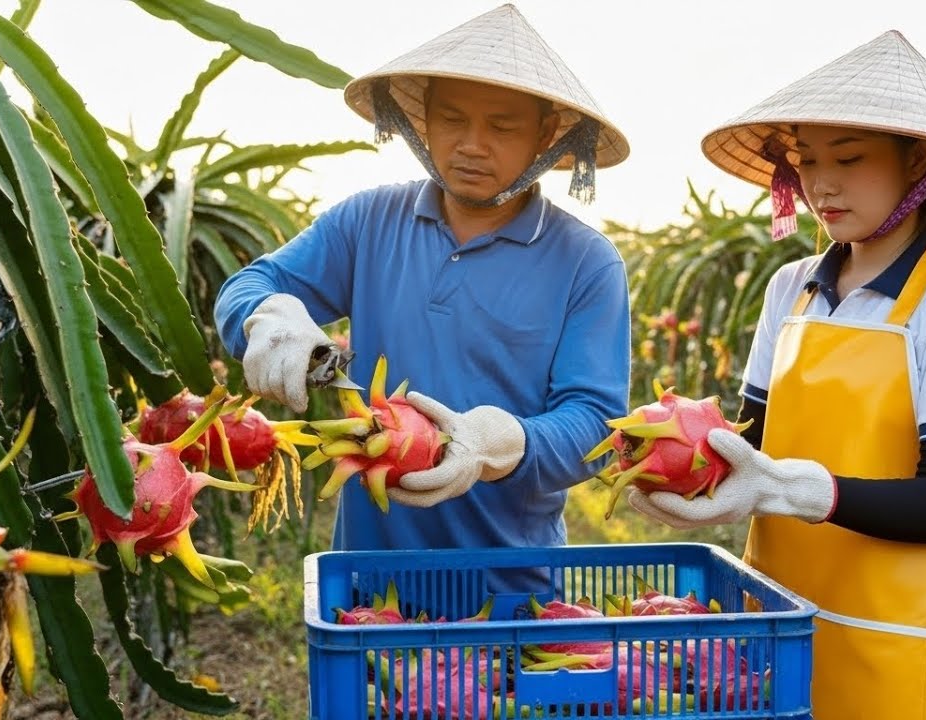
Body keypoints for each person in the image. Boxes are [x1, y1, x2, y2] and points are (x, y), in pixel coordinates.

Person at [627, 30, 926, 719]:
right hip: (777, 623)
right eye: (807, 160)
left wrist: (790, 488)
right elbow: (749, 443)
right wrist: (673, 459)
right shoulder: (789, 288)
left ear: (918, 160)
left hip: (900, 645)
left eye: (848, 158)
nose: (821, 184)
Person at [214, 5, 632, 589]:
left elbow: (593, 424)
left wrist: (499, 445)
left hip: (510, 586)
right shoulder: (368, 222)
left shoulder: (586, 262)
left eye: (502, 127)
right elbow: (250, 285)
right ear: (422, 122)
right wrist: (269, 318)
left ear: (545, 136)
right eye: (451, 119)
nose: (472, 145)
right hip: (368, 581)